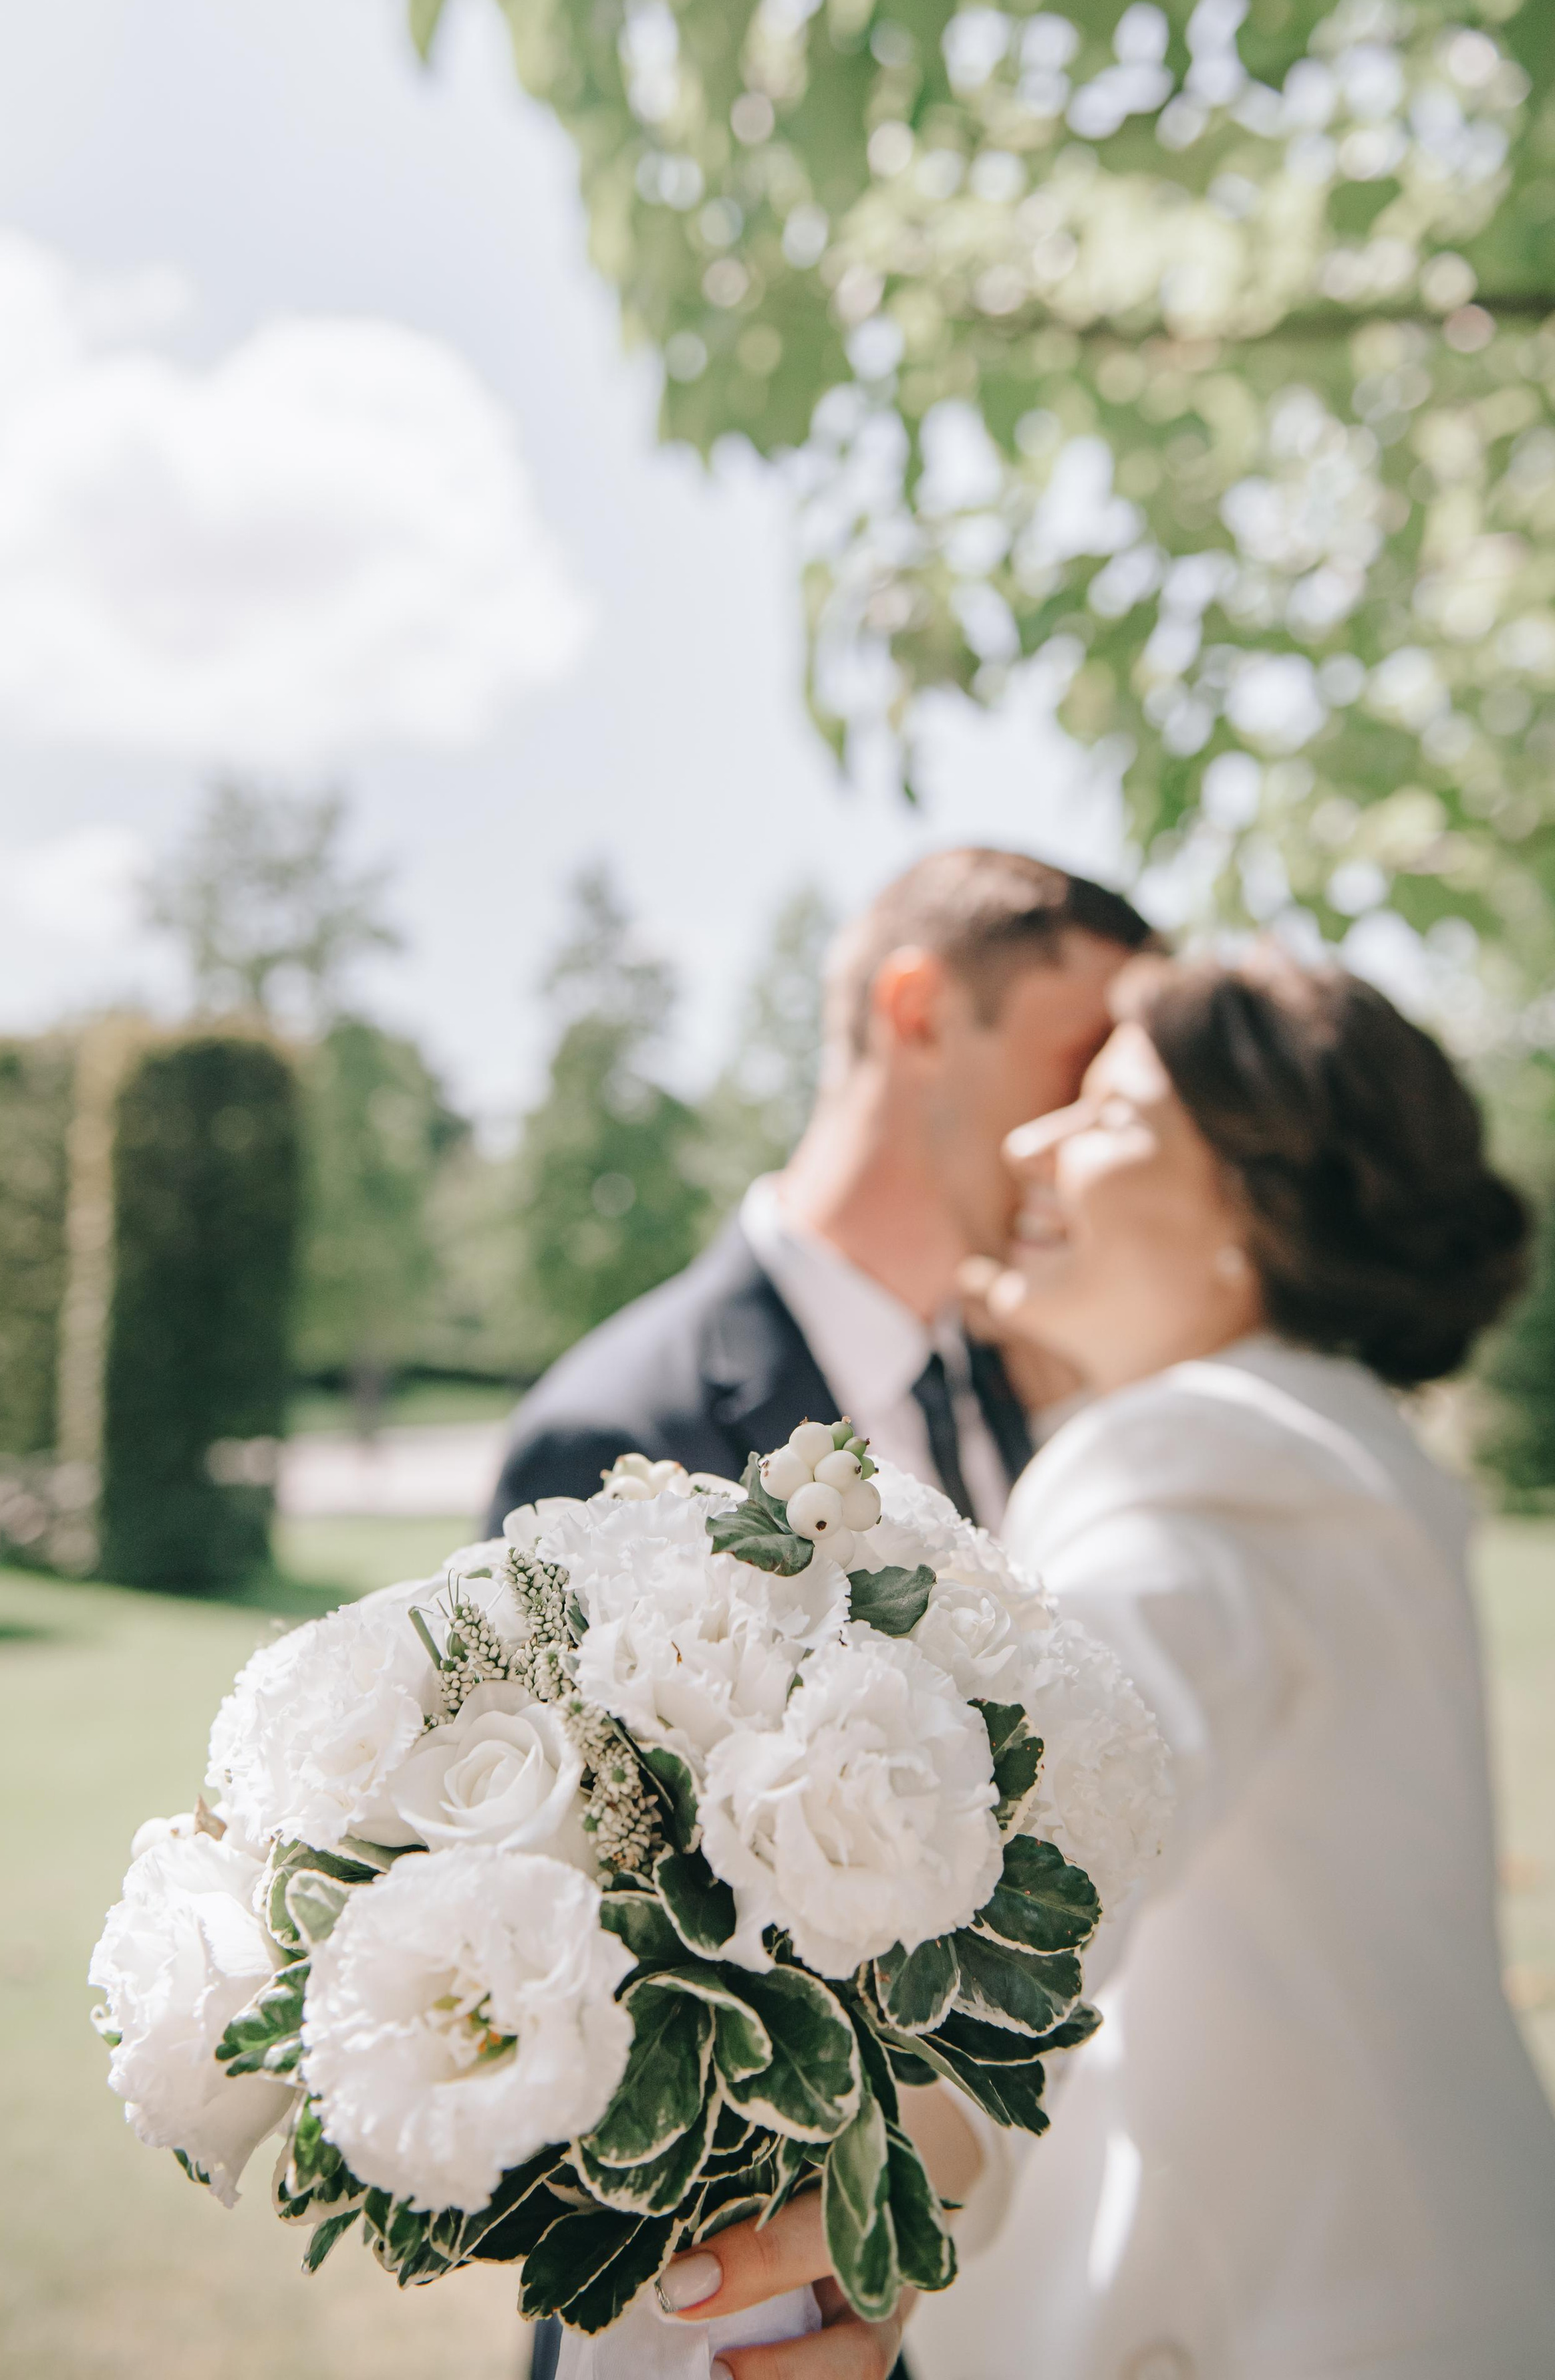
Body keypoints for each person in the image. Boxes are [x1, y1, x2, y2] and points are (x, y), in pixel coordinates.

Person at [653, 946, 1555, 2380]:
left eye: (1110, 1113)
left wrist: (919, 2162)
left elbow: (1086, 1781)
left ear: (1256, 1207)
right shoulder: (1341, 1447)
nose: (1033, 1143)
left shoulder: (1202, 1462)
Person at [487, 848, 1154, 1539]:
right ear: (920, 1014)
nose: (1095, 1134)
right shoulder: (609, 1440)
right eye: (1086, 1063)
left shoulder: (1030, 1382)